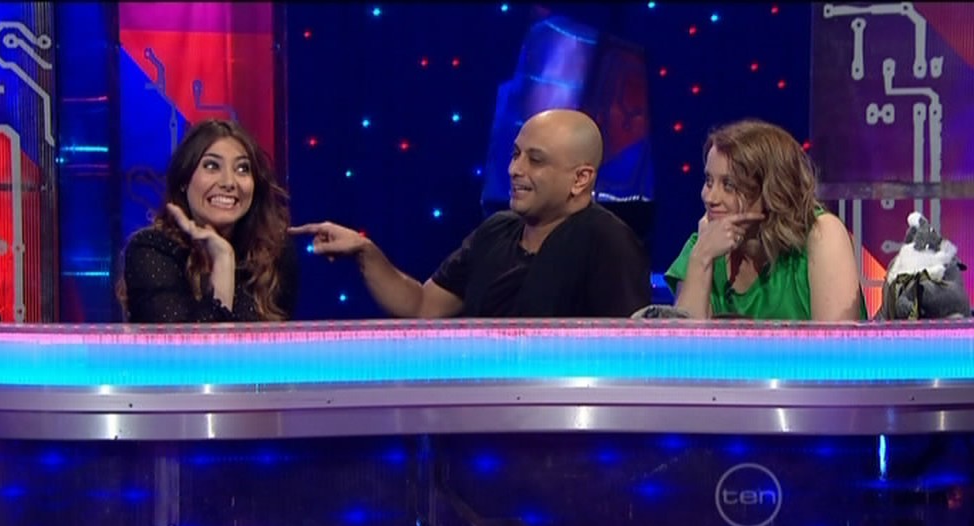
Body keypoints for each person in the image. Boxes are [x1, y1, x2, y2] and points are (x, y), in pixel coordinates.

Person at [289, 108, 652, 318]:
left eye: (535, 160)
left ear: (581, 178)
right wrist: (365, 252)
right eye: (516, 155)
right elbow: (422, 305)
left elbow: (626, 354)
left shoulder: (608, 242)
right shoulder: (496, 231)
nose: (514, 170)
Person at [664, 119, 866, 321]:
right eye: (709, 181)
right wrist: (701, 258)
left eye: (729, 185)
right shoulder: (702, 246)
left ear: (772, 190)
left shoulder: (822, 235)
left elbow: (837, 340)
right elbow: (683, 341)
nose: (710, 197)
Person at [118, 119, 299, 322]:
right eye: (212, 166)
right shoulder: (151, 249)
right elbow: (194, 342)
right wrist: (223, 260)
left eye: (242, 169)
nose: (229, 183)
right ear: (184, 180)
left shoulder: (274, 254)